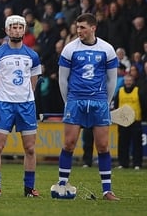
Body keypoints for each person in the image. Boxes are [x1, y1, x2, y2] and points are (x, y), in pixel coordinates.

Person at [51, 13, 120, 201]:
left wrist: (106, 102)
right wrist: (68, 102)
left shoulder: (107, 49)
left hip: (99, 101)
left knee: (103, 146)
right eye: (77, 27)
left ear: (93, 28)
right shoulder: (69, 49)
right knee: (69, 143)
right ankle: (62, 184)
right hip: (75, 100)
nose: (78, 31)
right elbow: (63, 79)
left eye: (82, 27)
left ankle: (107, 191)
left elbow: (111, 79)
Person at [0, 15, 42, 197]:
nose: (16, 30)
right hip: (4, 105)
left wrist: (23, 96)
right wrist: (5, 96)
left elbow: (33, 84)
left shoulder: (32, 55)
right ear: (7, 30)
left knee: (30, 148)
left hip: (26, 105)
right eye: (13, 27)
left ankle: (29, 188)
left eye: (20, 27)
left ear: (24, 30)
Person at [113, 73, 145, 170]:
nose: (128, 82)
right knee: (123, 144)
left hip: (136, 122)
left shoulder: (138, 91)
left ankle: (137, 164)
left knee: (136, 144)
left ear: (133, 81)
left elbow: (143, 105)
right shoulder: (120, 91)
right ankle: (123, 163)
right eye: (126, 80)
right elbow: (116, 105)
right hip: (123, 122)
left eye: (130, 80)